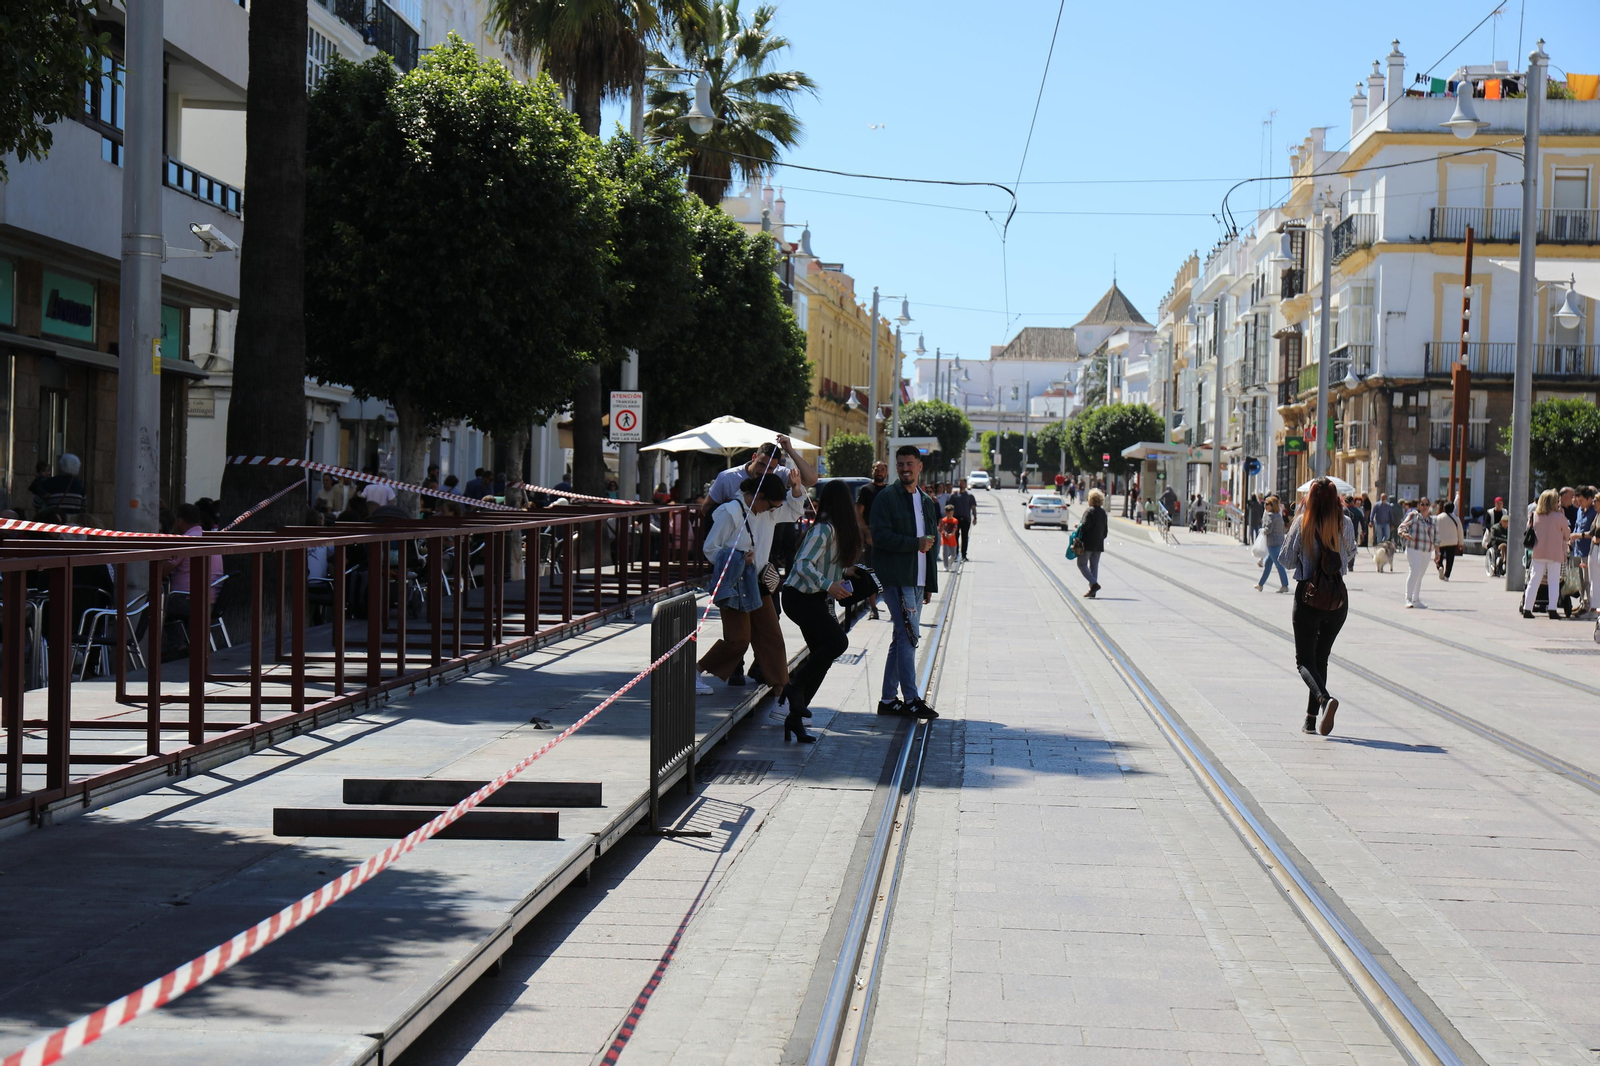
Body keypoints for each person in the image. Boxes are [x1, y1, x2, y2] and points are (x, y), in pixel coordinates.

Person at [698, 468, 807, 693]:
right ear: (758, 496)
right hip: (735, 583)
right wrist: (739, 559)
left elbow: (794, 511)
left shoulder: (769, 511)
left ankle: (781, 693)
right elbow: (710, 549)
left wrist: (796, 489)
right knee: (738, 641)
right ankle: (695, 671)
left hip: (759, 583)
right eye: (771, 505)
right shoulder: (730, 512)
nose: (774, 510)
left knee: (772, 637)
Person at [777, 480, 863, 741]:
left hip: (813, 599)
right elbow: (802, 564)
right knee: (838, 642)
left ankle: (794, 719)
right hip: (798, 597)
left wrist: (851, 575)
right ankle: (794, 685)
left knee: (822, 658)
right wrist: (829, 585)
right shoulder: (823, 530)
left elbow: (827, 566)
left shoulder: (836, 531)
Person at [870, 445, 940, 719]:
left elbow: (930, 545)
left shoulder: (925, 500)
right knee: (909, 638)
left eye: (909, 463)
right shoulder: (887, 498)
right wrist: (915, 543)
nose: (905, 469)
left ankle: (888, 700)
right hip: (897, 578)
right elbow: (881, 537)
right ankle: (911, 698)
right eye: (900, 464)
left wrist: (928, 584)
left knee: (901, 638)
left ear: (920, 466)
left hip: (917, 580)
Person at [1282, 477, 1356, 736]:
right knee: (1321, 658)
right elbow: (1350, 554)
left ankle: (1324, 701)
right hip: (1337, 599)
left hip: (1308, 597)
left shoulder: (1303, 522)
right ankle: (1311, 720)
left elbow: (1287, 561)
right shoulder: (1344, 523)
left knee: (1304, 660)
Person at [1521, 488, 1573, 619]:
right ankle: (1552, 609)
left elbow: (1530, 529)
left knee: (1534, 580)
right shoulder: (1560, 517)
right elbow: (1567, 535)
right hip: (1554, 553)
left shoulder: (1535, 515)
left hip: (1539, 552)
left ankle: (1527, 608)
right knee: (1553, 581)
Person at [856, 461, 891, 618]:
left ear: (886, 472)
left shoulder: (890, 491)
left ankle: (893, 609)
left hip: (887, 539)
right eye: (877, 469)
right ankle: (873, 609)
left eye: (882, 469)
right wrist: (867, 533)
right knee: (871, 573)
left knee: (889, 575)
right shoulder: (865, 490)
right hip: (871, 539)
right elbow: (858, 514)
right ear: (873, 470)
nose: (879, 472)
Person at [1397, 497, 1436, 609]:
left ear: (1429, 506)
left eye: (1426, 504)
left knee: (1420, 575)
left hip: (1427, 550)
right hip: (1414, 549)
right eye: (1422, 504)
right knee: (1414, 572)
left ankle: (1416, 599)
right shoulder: (1414, 516)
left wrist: (1437, 552)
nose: (1424, 507)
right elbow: (1402, 526)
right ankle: (1408, 599)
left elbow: (1436, 536)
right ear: (1418, 505)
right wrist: (1404, 534)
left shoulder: (1432, 520)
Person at [1074, 488, 1109, 598]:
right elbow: (1105, 531)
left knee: (1081, 564)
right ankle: (1093, 591)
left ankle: (1094, 584)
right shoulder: (1103, 512)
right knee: (1094, 566)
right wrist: (1100, 538)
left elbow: (1085, 526)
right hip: (1098, 544)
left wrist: (1078, 525)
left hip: (1087, 543)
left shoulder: (1089, 511)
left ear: (1091, 500)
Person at [1255, 495, 1289, 593]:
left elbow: (1268, 529)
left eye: (1267, 504)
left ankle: (1285, 585)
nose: (1265, 506)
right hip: (1279, 542)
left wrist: (1261, 530)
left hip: (1273, 544)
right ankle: (1260, 584)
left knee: (1279, 565)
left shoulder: (1270, 515)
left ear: (1272, 505)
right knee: (1268, 564)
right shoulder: (1278, 515)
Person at [1434, 500, 1465, 581]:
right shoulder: (1456, 518)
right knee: (1450, 559)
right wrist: (1461, 543)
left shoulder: (1439, 517)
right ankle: (1447, 575)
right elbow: (1460, 531)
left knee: (1439, 557)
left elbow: (1434, 529)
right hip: (1452, 541)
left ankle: (1440, 566)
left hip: (1440, 541)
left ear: (1444, 508)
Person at [947, 479, 977, 560]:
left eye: (963, 483)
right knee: (955, 536)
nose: (962, 484)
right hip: (955, 519)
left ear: (966, 484)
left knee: (965, 537)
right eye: (961, 483)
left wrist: (975, 517)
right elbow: (949, 507)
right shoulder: (954, 496)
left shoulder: (970, 496)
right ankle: (955, 553)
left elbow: (973, 507)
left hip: (966, 518)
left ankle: (964, 554)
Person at [939, 504, 960, 569]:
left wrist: (951, 534)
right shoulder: (943, 520)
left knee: (954, 555)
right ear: (946, 513)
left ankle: (950, 562)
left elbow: (954, 530)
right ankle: (946, 566)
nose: (950, 515)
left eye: (951, 513)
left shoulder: (955, 520)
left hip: (952, 540)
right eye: (949, 513)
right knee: (945, 553)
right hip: (945, 539)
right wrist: (944, 533)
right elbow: (941, 529)